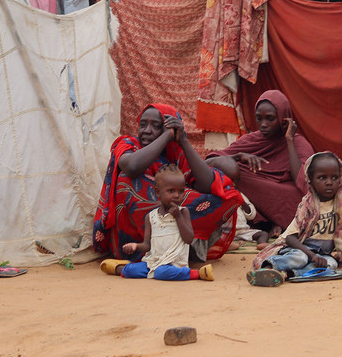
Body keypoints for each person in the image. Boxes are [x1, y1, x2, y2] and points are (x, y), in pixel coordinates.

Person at [93, 103, 243, 262]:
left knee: (223, 195)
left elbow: (207, 184)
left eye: (156, 126)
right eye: (143, 124)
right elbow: (132, 166)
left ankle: (177, 247)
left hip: (173, 218)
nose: (147, 130)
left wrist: (183, 141)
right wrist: (166, 136)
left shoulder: (175, 153)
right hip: (133, 231)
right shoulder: (127, 144)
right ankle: (143, 249)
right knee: (126, 180)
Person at [207, 90, 314, 238]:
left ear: (284, 118)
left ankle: (275, 222)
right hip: (253, 195)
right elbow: (208, 163)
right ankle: (267, 223)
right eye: (259, 118)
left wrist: (289, 139)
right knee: (227, 171)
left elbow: (303, 180)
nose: (263, 124)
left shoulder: (298, 142)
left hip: (280, 192)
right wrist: (238, 157)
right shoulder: (251, 140)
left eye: (270, 119)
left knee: (299, 197)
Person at [246, 152, 342, 286]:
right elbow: (290, 238)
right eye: (322, 178)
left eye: (334, 177)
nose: (329, 183)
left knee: (331, 264)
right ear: (310, 180)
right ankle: (268, 269)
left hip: (321, 255)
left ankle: (288, 274)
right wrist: (311, 255)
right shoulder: (307, 206)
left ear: (341, 179)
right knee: (300, 258)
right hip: (300, 249)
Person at [99, 165, 213, 281]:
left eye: (181, 191)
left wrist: (178, 217)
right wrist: (135, 246)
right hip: (153, 261)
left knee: (162, 273)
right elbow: (147, 245)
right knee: (132, 271)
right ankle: (120, 268)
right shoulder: (151, 217)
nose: (177, 196)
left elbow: (189, 239)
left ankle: (197, 273)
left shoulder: (183, 212)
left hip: (173, 263)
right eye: (171, 191)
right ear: (158, 192)